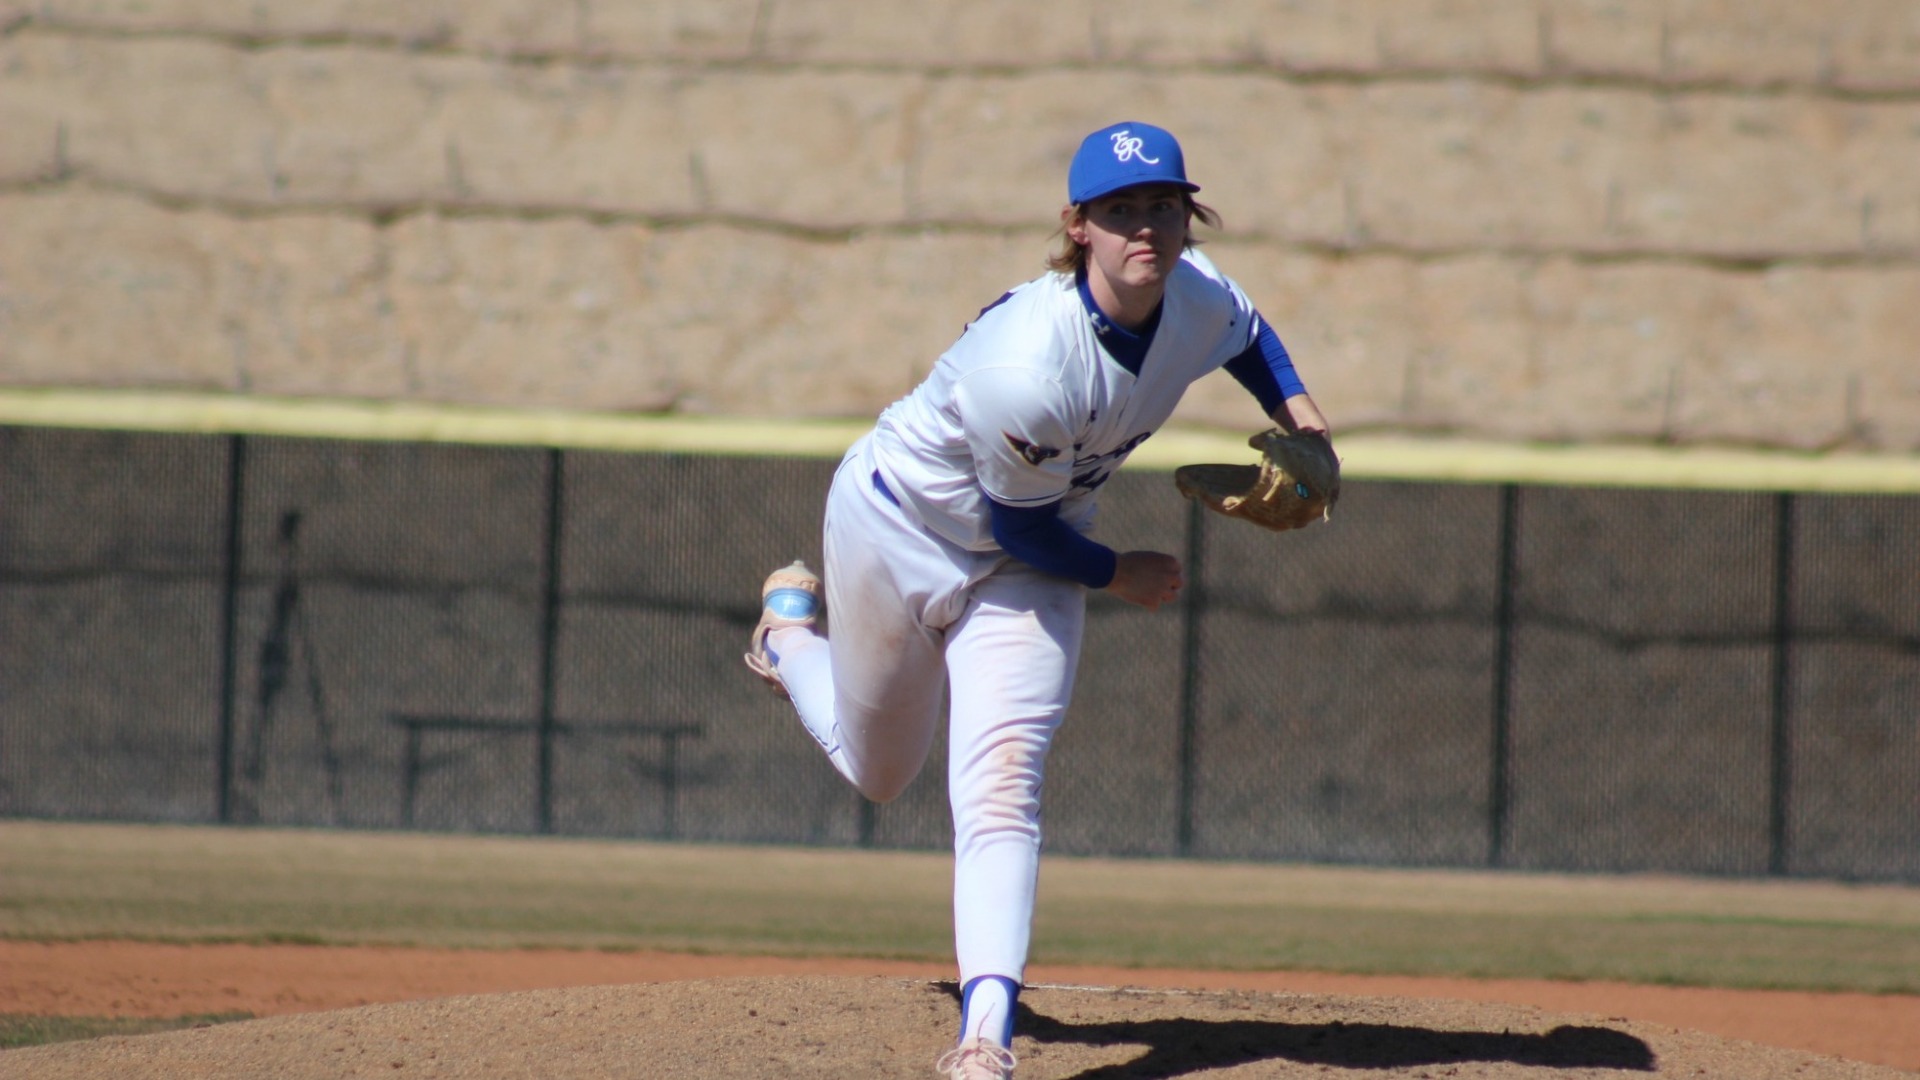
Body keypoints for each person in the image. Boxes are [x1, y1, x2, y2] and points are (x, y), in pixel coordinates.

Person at [744, 120, 1332, 1080]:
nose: (1147, 226)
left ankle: (984, 1038)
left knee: (1002, 779)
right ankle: (790, 641)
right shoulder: (1026, 364)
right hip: (900, 529)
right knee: (878, 773)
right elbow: (1019, 525)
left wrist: (1308, 427)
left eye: (1164, 206)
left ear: (1189, 217)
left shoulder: (1198, 294)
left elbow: (1251, 336)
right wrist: (1118, 576)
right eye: (1122, 210)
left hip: (1026, 559)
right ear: (1079, 227)